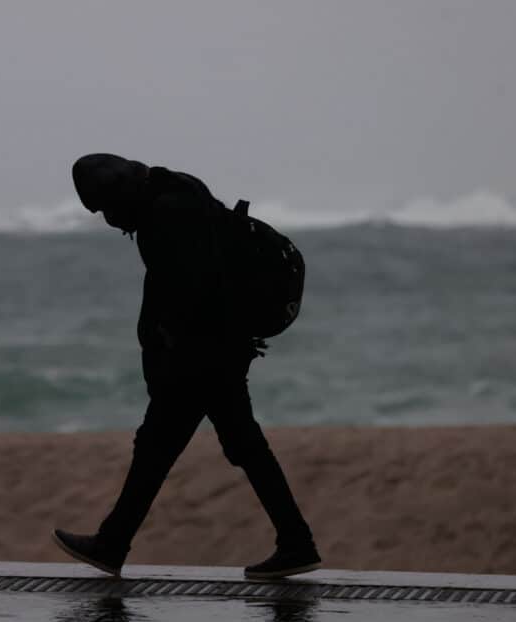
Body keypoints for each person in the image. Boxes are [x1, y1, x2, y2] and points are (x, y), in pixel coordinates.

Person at [52, 153, 321, 580]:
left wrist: (169, 358)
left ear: (117, 195)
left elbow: (186, 297)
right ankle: (295, 542)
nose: (108, 219)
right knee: (224, 446)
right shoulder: (177, 191)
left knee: (166, 447)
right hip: (221, 347)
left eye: (104, 208)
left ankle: (113, 543)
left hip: (206, 355)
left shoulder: (164, 219)